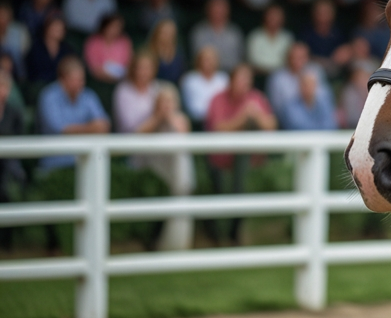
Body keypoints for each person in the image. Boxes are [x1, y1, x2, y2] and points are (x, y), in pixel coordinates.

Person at [205, 64, 276, 245]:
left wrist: (256, 116)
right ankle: (222, 234)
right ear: (231, 81)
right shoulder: (218, 99)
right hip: (221, 160)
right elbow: (217, 127)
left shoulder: (256, 98)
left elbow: (271, 125)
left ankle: (237, 232)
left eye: (248, 80)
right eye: (241, 79)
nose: (245, 84)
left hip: (251, 162)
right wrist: (242, 118)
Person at [133, 84, 196, 250]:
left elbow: (182, 132)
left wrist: (169, 117)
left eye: (170, 101)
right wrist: (158, 118)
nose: (167, 105)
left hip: (177, 173)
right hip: (158, 173)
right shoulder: (151, 119)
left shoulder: (181, 119)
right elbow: (138, 133)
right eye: (163, 101)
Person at [38, 56, 110, 171]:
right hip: (55, 164)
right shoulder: (49, 96)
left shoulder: (88, 95)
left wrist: (78, 130)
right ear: (62, 79)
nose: (79, 84)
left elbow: (104, 126)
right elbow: (60, 130)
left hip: (85, 162)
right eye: (74, 79)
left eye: (81, 79)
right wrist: (91, 129)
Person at [266, 42, 329, 121]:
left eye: (301, 57)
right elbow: (277, 109)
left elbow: (325, 99)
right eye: (294, 57)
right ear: (288, 58)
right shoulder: (277, 78)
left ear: (307, 58)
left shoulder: (316, 71)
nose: (297, 61)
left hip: (317, 120)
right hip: (288, 124)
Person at [0, 71, 25, 251]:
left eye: (5, 87)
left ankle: (7, 244)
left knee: (8, 187)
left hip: (9, 163)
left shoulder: (14, 111)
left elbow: (20, 139)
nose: (3, 91)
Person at [189, 0, 243, 72]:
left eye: (221, 9)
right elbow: (197, 58)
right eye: (215, 9)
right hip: (205, 74)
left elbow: (240, 58)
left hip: (231, 75)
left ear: (228, 11)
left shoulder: (235, 32)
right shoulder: (199, 32)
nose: (218, 12)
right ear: (207, 11)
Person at [112, 51, 160, 134]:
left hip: (156, 138)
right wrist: (158, 117)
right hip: (129, 141)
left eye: (148, 68)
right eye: (141, 67)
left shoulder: (158, 88)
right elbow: (130, 128)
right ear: (134, 68)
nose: (144, 72)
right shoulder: (123, 91)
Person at [299, 0, 349, 75]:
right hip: (312, 71)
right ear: (313, 14)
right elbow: (302, 56)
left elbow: (346, 51)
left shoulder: (339, 32)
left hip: (336, 69)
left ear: (333, 14)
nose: (322, 17)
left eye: (326, 13)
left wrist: (347, 50)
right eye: (319, 13)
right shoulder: (306, 32)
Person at [180, 46, 228, 123]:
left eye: (212, 59)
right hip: (198, 122)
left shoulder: (223, 78)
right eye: (206, 59)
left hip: (222, 119)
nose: (210, 62)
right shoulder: (190, 79)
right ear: (199, 60)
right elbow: (192, 107)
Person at [25, 13, 74, 85]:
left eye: (61, 28)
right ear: (47, 28)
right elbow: (32, 73)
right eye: (55, 27)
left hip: (60, 87)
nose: (58, 31)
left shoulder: (67, 50)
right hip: (38, 86)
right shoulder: (36, 48)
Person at [84, 14, 132, 83]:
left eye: (118, 27)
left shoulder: (125, 42)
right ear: (105, 26)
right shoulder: (93, 41)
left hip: (120, 81)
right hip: (97, 81)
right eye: (113, 26)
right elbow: (93, 68)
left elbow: (129, 64)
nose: (116, 30)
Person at [246, 5, 293, 74]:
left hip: (281, 76)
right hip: (259, 75)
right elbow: (252, 61)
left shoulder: (288, 37)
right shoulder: (255, 36)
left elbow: (291, 61)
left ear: (283, 19)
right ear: (265, 17)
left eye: (277, 16)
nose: (274, 19)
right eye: (271, 16)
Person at [147, 19, 184, 84]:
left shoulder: (178, 53)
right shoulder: (148, 52)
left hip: (173, 89)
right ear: (157, 33)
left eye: (170, 33)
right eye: (164, 32)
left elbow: (182, 75)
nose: (167, 36)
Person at [339, 61, 373, 129]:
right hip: (352, 129)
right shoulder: (349, 93)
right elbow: (352, 118)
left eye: (366, 76)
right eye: (361, 76)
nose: (364, 80)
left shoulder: (374, 92)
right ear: (354, 77)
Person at [0, 2, 30, 77]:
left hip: (18, 74)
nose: (2, 19)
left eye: (4, 15)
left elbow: (25, 56)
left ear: (10, 17)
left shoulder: (20, 31)